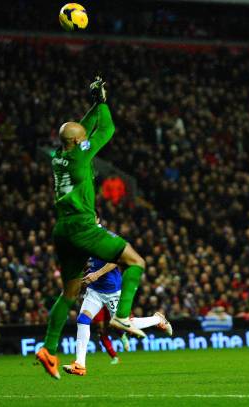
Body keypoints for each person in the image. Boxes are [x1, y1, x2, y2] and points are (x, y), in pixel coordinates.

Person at [36, 77, 148, 379]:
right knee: (136, 261)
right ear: (77, 142)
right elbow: (107, 129)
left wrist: (93, 103)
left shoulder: (59, 156)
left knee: (69, 293)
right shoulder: (81, 154)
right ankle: (122, 317)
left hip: (62, 229)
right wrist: (103, 103)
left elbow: (78, 130)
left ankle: (49, 349)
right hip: (83, 227)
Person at [62, 217, 173, 376]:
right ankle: (80, 364)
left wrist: (97, 274)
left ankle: (158, 320)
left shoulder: (105, 237)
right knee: (82, 320)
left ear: (97, 219)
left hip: (112, 290)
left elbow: (117, 259)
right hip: (95, 290)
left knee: (123, 324)